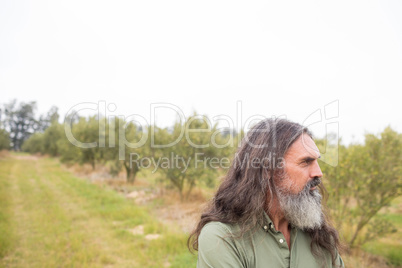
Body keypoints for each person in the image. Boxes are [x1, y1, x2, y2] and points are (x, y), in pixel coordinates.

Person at [188, 118, 344, 268]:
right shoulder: (222, 237)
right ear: (268, 169)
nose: (319, 172)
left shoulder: (319, 235)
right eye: (306, 162)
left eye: (317, 161)